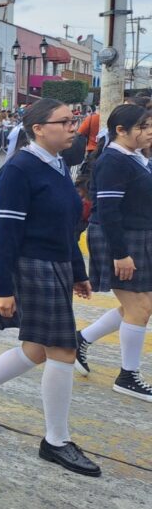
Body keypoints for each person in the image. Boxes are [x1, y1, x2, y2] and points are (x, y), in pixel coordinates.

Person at [0, 98, 100, 474]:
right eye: (65, 121)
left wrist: (78, 271)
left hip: (56, 265)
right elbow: (5, 234)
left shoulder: (57, 165)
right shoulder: (19, 169)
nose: (73, 127)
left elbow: (66, 226)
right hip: (32, 266)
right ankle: (56, 440)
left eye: (74, 120)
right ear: (38, 128)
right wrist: (3, 288)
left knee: (36, 350)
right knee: (63, 350)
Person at [75, 103, 152, 401]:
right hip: (118, 239)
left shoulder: (136, 157)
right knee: (138, 309)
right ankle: (128, 375)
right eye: (143, 127)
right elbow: (107, 210)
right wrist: (121, 253)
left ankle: (82, 338)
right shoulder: (114, 161)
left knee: (143, 305)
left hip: (138, 236)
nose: (148, 132)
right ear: (121, 130)